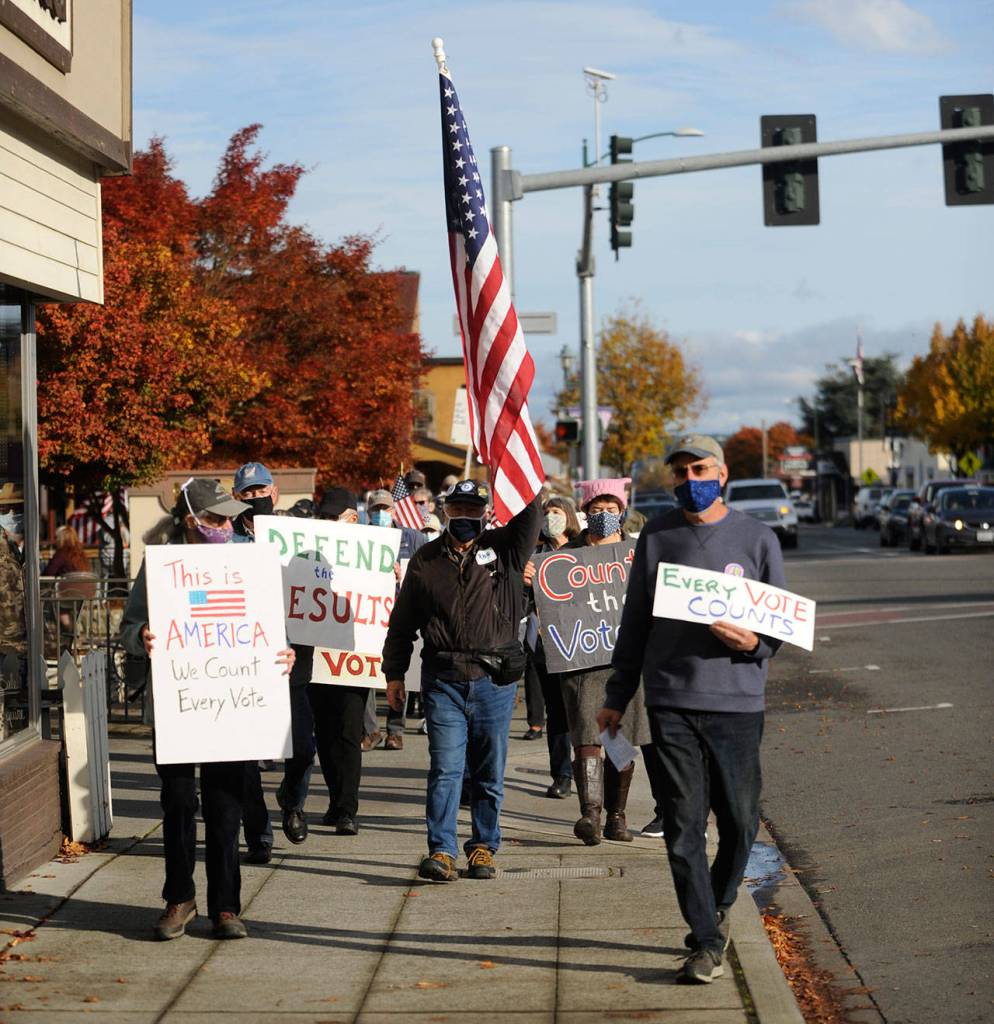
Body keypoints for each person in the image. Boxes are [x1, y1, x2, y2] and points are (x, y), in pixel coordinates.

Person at [597, 435, 786, 985]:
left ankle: (718, 904)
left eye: (699, 469)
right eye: (680, 472)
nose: (689, 480)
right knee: (683, 826)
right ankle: (706, 940)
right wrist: (616, 696)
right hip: (671, 701)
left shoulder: (758, 538)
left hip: (737, 704)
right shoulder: (658, 536)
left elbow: (780, 622)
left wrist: (755, 644)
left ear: (721, 474)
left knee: (741, 821)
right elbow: (634, 621)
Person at [120, 477, 294, 941]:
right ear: (191, 520)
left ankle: (225, 906)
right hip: (180, 704)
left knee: (225, 806)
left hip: (233, 701)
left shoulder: (249, 557)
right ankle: (179, 898)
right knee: (178, 802)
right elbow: (129, 625)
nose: (225, 525)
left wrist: (285, 651)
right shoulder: (162, 564)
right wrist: (141, 636)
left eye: (228, 518)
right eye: (216, 518)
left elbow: (270, 623)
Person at [383, 480, 541, 882]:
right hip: (444, 681)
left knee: (489, 772)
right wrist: (394, 674)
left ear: (486, 513)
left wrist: (519, 475)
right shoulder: (425, 560)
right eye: (458, 509)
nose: (465, 517)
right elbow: (401, 624)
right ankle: (442, 850)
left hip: (494, 682)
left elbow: (530, 515)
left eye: (473, 510)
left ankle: (484, 846)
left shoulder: (506, 550)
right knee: (446, 769)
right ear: (445, 512)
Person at [545, 479, 651, 846]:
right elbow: (551, 604)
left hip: (625, 663)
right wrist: (532, 582)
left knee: (618, 739)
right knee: (587, 735)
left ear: (622, 513)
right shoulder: (564, 557)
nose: (603, 515)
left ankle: (616, 817)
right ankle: (590, 814)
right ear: (584, 512)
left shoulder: (636, 555)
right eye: (596, 509)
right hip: (583, 661)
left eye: (610, 509)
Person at [279, 487, 370, 837]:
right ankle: (336, 803)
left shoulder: (370, 554)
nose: (328, 523)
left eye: (335, 517)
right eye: (324, 517)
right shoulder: (306, 554)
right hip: (312, 656)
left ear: (353, 517)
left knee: (348, 731)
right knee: (326, 733)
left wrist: (394, 577)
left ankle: (347, 809)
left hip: (352, 656)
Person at [230, 462, 278, 863]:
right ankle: (258, 834)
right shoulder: (223, 542)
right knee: (242, 756)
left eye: (261, 491)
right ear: (236, 498)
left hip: (284, 658)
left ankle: (293, 801)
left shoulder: (293, 537)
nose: (255, 498)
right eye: (248, 493)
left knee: (302, 746)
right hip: (238, 659)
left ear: (274, 493)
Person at [521, 496, 579, 799]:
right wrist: (525, 584)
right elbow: (522, 604)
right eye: (547, 513)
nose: (550, 517)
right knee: (557, 713)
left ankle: (593, 771)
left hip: (585, 644)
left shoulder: (584, 550)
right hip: (548, 646)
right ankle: (562, 775)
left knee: (587, 713)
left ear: (568, 516)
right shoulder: (535, 555)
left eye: (556, 512)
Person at [362, 487, 427, 751]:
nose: (381, 513)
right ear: (369, 512)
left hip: (400, 613)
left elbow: (424, 573)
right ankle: (371, 729)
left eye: (385, 508)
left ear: (394, 510)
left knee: (400, 670)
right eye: (376, 509)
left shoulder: (413, 538)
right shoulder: (359, 538)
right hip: (368, 614)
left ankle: (395, 731)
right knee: (364, 672)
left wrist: (403, 577)